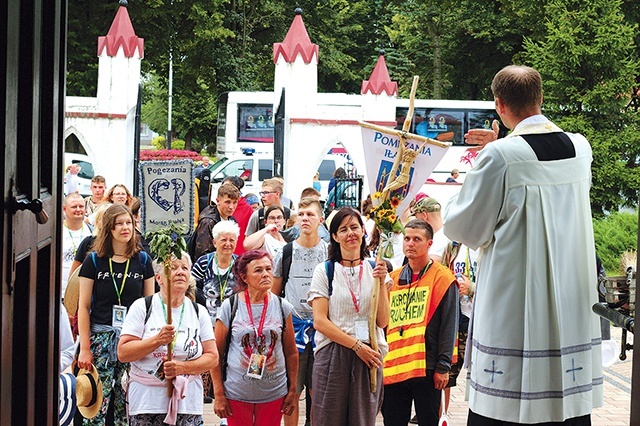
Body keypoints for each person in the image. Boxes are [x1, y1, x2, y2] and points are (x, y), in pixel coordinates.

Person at [444, 65, 603, 425]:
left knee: (506, 409)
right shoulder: (580, 148)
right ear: (541, 98)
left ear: (499, 105)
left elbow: (465, 228)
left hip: (515, 306)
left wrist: (488, 159)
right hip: (570, 301)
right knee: (564, 405)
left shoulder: (500, 156)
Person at [307, 207, 390, 426]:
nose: (350, 233)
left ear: (364, 230)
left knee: (362, 420)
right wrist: (356, 346)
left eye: (354, 227)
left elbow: (382, 321)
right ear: (334, 236)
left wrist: (381, 283)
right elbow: (320, 321)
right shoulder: (324, 271)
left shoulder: (376, 268)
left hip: (370, 352)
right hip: (333, 353)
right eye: (343, 229)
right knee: (327, 419)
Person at [118, 252, 219, 426]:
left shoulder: (198, 311)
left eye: (185, 268)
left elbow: (212, 357)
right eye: (173, 268)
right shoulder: (143, 307)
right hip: (146, 402)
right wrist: (157, 340)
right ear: (159, 278)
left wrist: (182, 367)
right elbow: (123, 353)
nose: (180, 272)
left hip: (187, 403)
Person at [76, 203, 156, 425]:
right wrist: (84, 348)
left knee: (127, 402)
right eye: (119, 223)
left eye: (128, 223)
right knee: (96, 406)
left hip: (132, 339)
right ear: (109, 229)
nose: (125, 228)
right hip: (101, 338)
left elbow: (149, 307)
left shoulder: (142, 261)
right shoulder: (93, 261)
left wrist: (148, 344)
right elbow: (82, 307)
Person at [381, 220, 458, 426]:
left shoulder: (443, 278)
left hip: (428, 367)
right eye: (407, 238)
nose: (410, 244)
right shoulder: (392, 279)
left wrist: (443, 366)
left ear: (429, 243)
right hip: (395, 366)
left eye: (417, 239)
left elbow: (449, 325)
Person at [211, 250, 298, 426]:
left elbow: (291, 353)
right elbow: (216, 354)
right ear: (244, 277)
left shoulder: (282, 306)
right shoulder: (231, 306)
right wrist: (219, 394)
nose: (266, 274)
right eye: (258, 270)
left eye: (268, 269)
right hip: (236, 393)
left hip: (274, 392)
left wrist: (292, 390)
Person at [272, 198, 328, 426]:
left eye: (310, 214)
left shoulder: (330, 252)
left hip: (322, 330)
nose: (305, 218)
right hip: (293, 330)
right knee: (291, 391)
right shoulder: (285, 252)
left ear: (320, 220)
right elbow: (275, 295)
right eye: (301, 214)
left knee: (319, 391)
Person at [190, 183, 240, 262]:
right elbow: (202, 253)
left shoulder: (232, 220)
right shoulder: (208, 222)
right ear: (218, 201)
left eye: (234, 202)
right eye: (227, 202)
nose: (231, 207)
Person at [62, 193, 92, 299]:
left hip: (85, 292)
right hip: (62, 292)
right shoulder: (57, 232)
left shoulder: (91, 232)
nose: (78, 209)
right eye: (74, 207)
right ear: (64, 209)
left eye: (81, 206)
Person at [411, 197, 448, 263]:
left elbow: (428, 265)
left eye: (417, 217)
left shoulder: (442, 238)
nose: (416, 221)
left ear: (424, 215)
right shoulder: (446, 234)